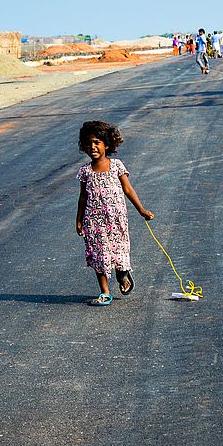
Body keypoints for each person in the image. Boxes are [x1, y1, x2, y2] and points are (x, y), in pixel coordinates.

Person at [76, 120, 153, 306]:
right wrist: (79, 220)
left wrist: (141, 210)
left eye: (96, 142)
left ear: (107, 145)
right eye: (88, 143)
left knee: (118, 252)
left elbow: (128, 190)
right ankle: (104, 292)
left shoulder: (117, 166)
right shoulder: (85, 172)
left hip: (116, 220)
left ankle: (122, 275)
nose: (92, 146)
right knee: (98, 255)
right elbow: (83, 198)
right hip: (93, 222)